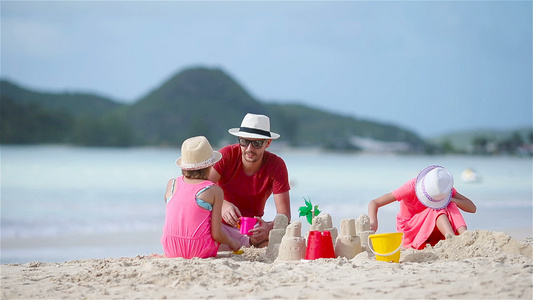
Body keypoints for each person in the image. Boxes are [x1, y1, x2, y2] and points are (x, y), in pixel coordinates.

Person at [209, 113, 291, 248]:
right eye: (244, 141)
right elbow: (200, 190)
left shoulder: (276, 165)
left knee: (280, 242)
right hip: (218, 225)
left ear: (268, 143)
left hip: (251, 231)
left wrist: (269, 227)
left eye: (257, 143)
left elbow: (284, 215)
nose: (249, 149)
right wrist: (222, 204)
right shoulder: (227, 154)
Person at [161, 136, 241, 258]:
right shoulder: (214, 190)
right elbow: (217, 234)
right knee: (218, 238)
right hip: (199, 250)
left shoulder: (171, 184)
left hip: (170, 248)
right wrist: (232, 242)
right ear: (210, 165)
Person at [368, 165, 476, 250]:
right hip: (410, 230)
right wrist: (373, 222)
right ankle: (452, 239)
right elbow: (374, 203)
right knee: (436, 208)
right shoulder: (411, 187)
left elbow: (472, 208)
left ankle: (464, 236)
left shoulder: (441, 189)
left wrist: (449, 199)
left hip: (433, 230)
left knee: (450, 204)